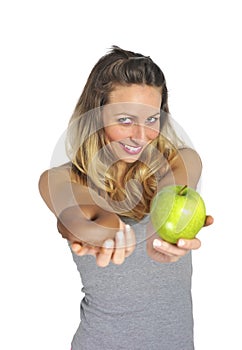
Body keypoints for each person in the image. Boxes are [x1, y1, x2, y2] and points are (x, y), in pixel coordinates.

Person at [39, 46, 213, 350]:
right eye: (124, 119)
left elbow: (169, 194)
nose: (141, 134)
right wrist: (101, 233)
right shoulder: (60, 179)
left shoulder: (183, 161)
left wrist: (162, 234)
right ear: (95, 117)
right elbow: (82, 217)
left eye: (151, 119)